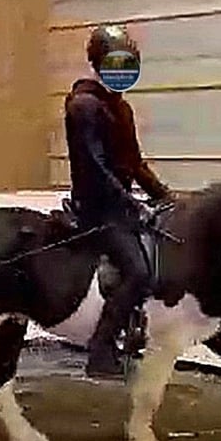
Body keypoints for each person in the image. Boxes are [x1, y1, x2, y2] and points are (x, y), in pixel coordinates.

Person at [64, 24, 175, 378]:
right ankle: (101, 349)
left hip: (120, 205)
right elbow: (93, 166)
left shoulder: (121, 108)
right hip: (97, 208)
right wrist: (129, 202)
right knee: (138, 272)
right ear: (99, 64)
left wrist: (166, 197)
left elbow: (134, 164)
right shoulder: (84, 106)